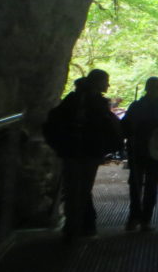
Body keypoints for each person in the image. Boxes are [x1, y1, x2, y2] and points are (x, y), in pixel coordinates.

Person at [42, 69, 121, 243]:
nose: (107, 85)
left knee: (73, 189)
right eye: (105, 81)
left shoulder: (73, 99)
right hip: (88, 153)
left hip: (71, 152)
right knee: (82, 189)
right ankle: (78, 227)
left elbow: (53, 119)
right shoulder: (97, 103)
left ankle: (76, 227)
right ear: (97, 82)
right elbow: (105, 128)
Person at [121, 76, 158, 232]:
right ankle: (145, 220)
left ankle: (135, 219)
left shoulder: (137, 106)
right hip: (155, 150)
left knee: (136, 184)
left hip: (137, 149)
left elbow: (124, 126)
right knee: (150, 185)